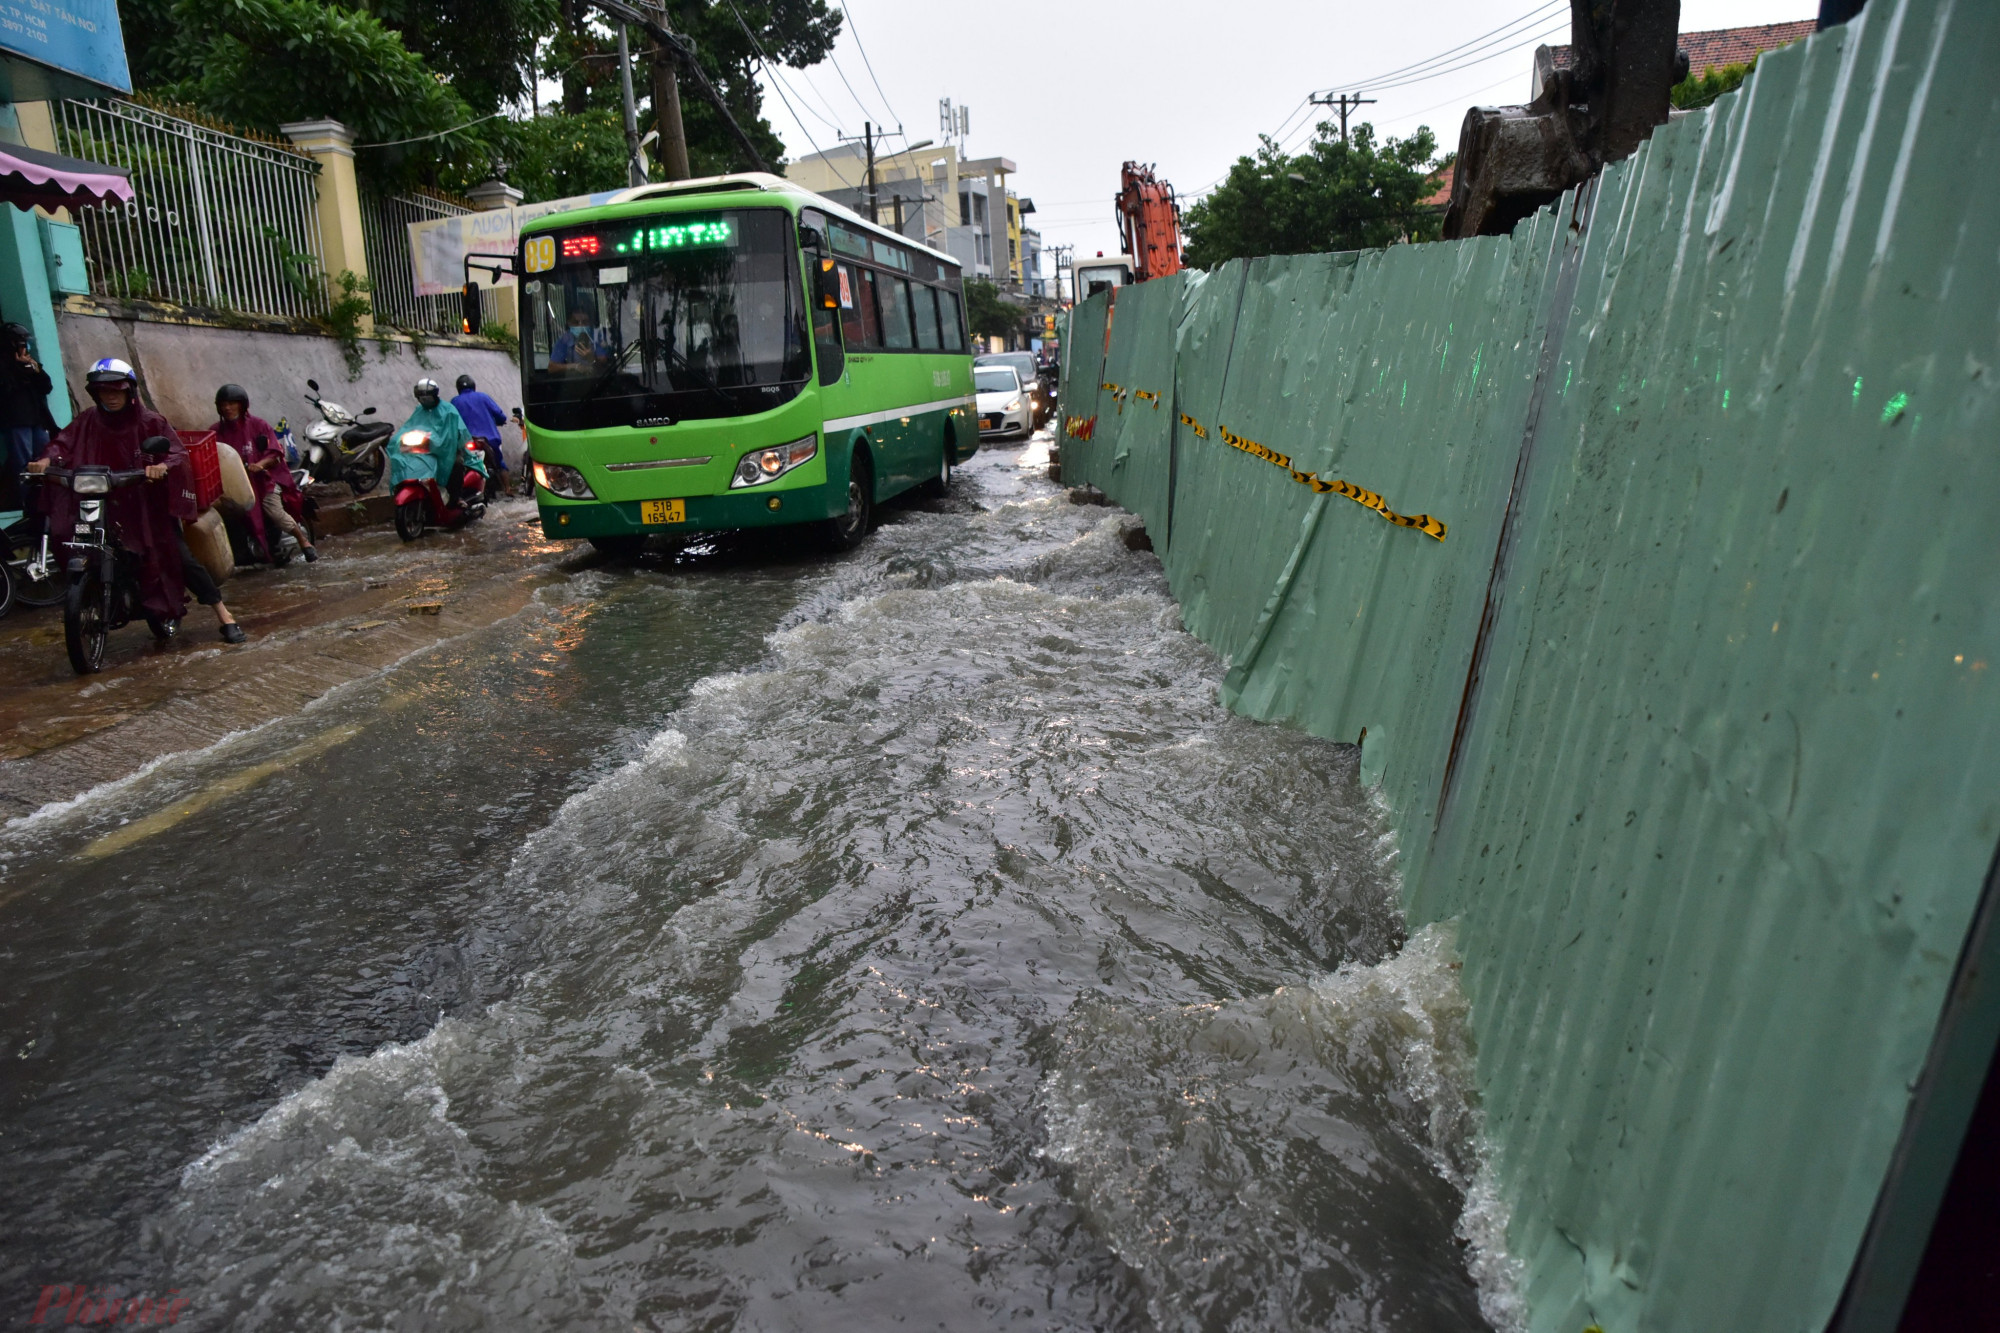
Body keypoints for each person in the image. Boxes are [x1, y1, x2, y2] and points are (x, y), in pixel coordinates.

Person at [27, 358, 246, 643]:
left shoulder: (151, 421)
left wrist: (162, 466)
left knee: (178, 555)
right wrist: (46, 459)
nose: (111, 397)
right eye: (105, 392)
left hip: (146, 505)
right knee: (73, 536)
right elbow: (63, 443)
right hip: (103, 501)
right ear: (95, 394)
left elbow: (176, 453)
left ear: (129, 392)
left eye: (116, 391)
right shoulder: (87, 420)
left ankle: (223, 613)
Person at [211, 383, 317, 562]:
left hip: (264, 481)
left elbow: (275, 452)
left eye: (232, 403)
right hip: (235, 485)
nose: (227, 408)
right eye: (223, 404)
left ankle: (303, 541)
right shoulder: (215, 431)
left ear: (242, 404)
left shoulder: (259, 425)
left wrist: (259, 465)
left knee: (274, 511)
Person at [0, 323, 55, 512]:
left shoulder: (30, 364)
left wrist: (35, 370)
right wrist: (19, 369)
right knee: (24, 466)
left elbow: (46, 386)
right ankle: (29, 504)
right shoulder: (4, 365)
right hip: (16, 422)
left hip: (37, 421)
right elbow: (7, 389)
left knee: (45, 460)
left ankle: (47, 502)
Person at [397, 377, 477, 504]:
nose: (424, 400)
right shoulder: (419, 411)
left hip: (446, 451)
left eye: (427, 397)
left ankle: (456, 498)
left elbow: (460, 430)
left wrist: (449, 441)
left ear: (434, 395)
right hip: (425, 450)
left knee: (456, 463)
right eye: (421, 397)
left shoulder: (448, 410)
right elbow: (410, 426)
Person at [449, 373, 508, 492]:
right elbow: (500, 415)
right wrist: (501, 420)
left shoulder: (454, 401)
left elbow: (449, 421)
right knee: (500, 463)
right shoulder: (483, 397)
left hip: (465, 440)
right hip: (490, 439)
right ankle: (508, 489)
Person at [550, 307, 604, 372]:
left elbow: (604, 365)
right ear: (569, 323)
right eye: (576, 322)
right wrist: (573, 366)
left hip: (598, 379)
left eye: (584, 322)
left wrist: (592, 358)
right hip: (573, 380)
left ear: (590, 323)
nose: (580, 325)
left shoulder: (597, 338)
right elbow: (551, 367)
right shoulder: (564, 340)